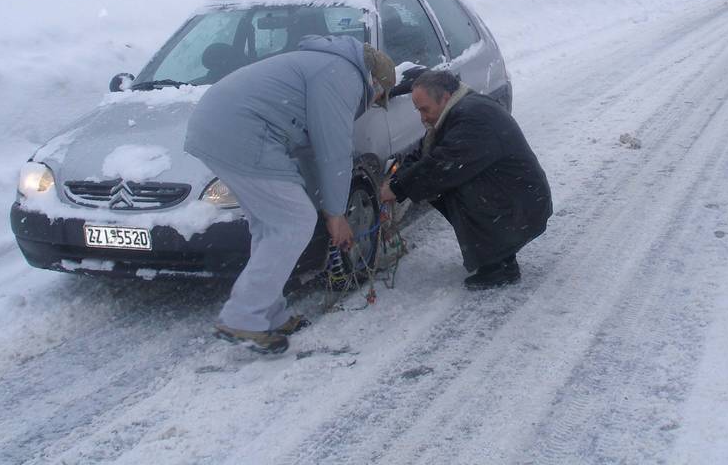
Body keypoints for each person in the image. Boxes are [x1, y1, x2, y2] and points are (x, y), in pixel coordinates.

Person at [185, 35, 395, 353]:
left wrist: (328, 206)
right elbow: (333, 149)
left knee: (272, 226)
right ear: (374, 80)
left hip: (218, 126)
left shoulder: (325, 65)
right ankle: (243, 317)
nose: (375, 101)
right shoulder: (343, 75)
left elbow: (311, 151)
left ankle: (267, 314)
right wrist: (335, 215)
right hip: (242, 131)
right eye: (380, 95)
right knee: (294, 222)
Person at [380, 70, 551, 290]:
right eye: (418, 110)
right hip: (515, 198)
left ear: (444, 98)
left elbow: (442, 164)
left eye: (425, 109)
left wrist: (397, 187)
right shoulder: (459, 109)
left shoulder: (473, 117)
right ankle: (500, 254)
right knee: (439, 182)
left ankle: (498, 265)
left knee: (451, 182)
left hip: (522, 205)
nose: (422, 117)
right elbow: (426, 152)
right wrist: (396, 177)